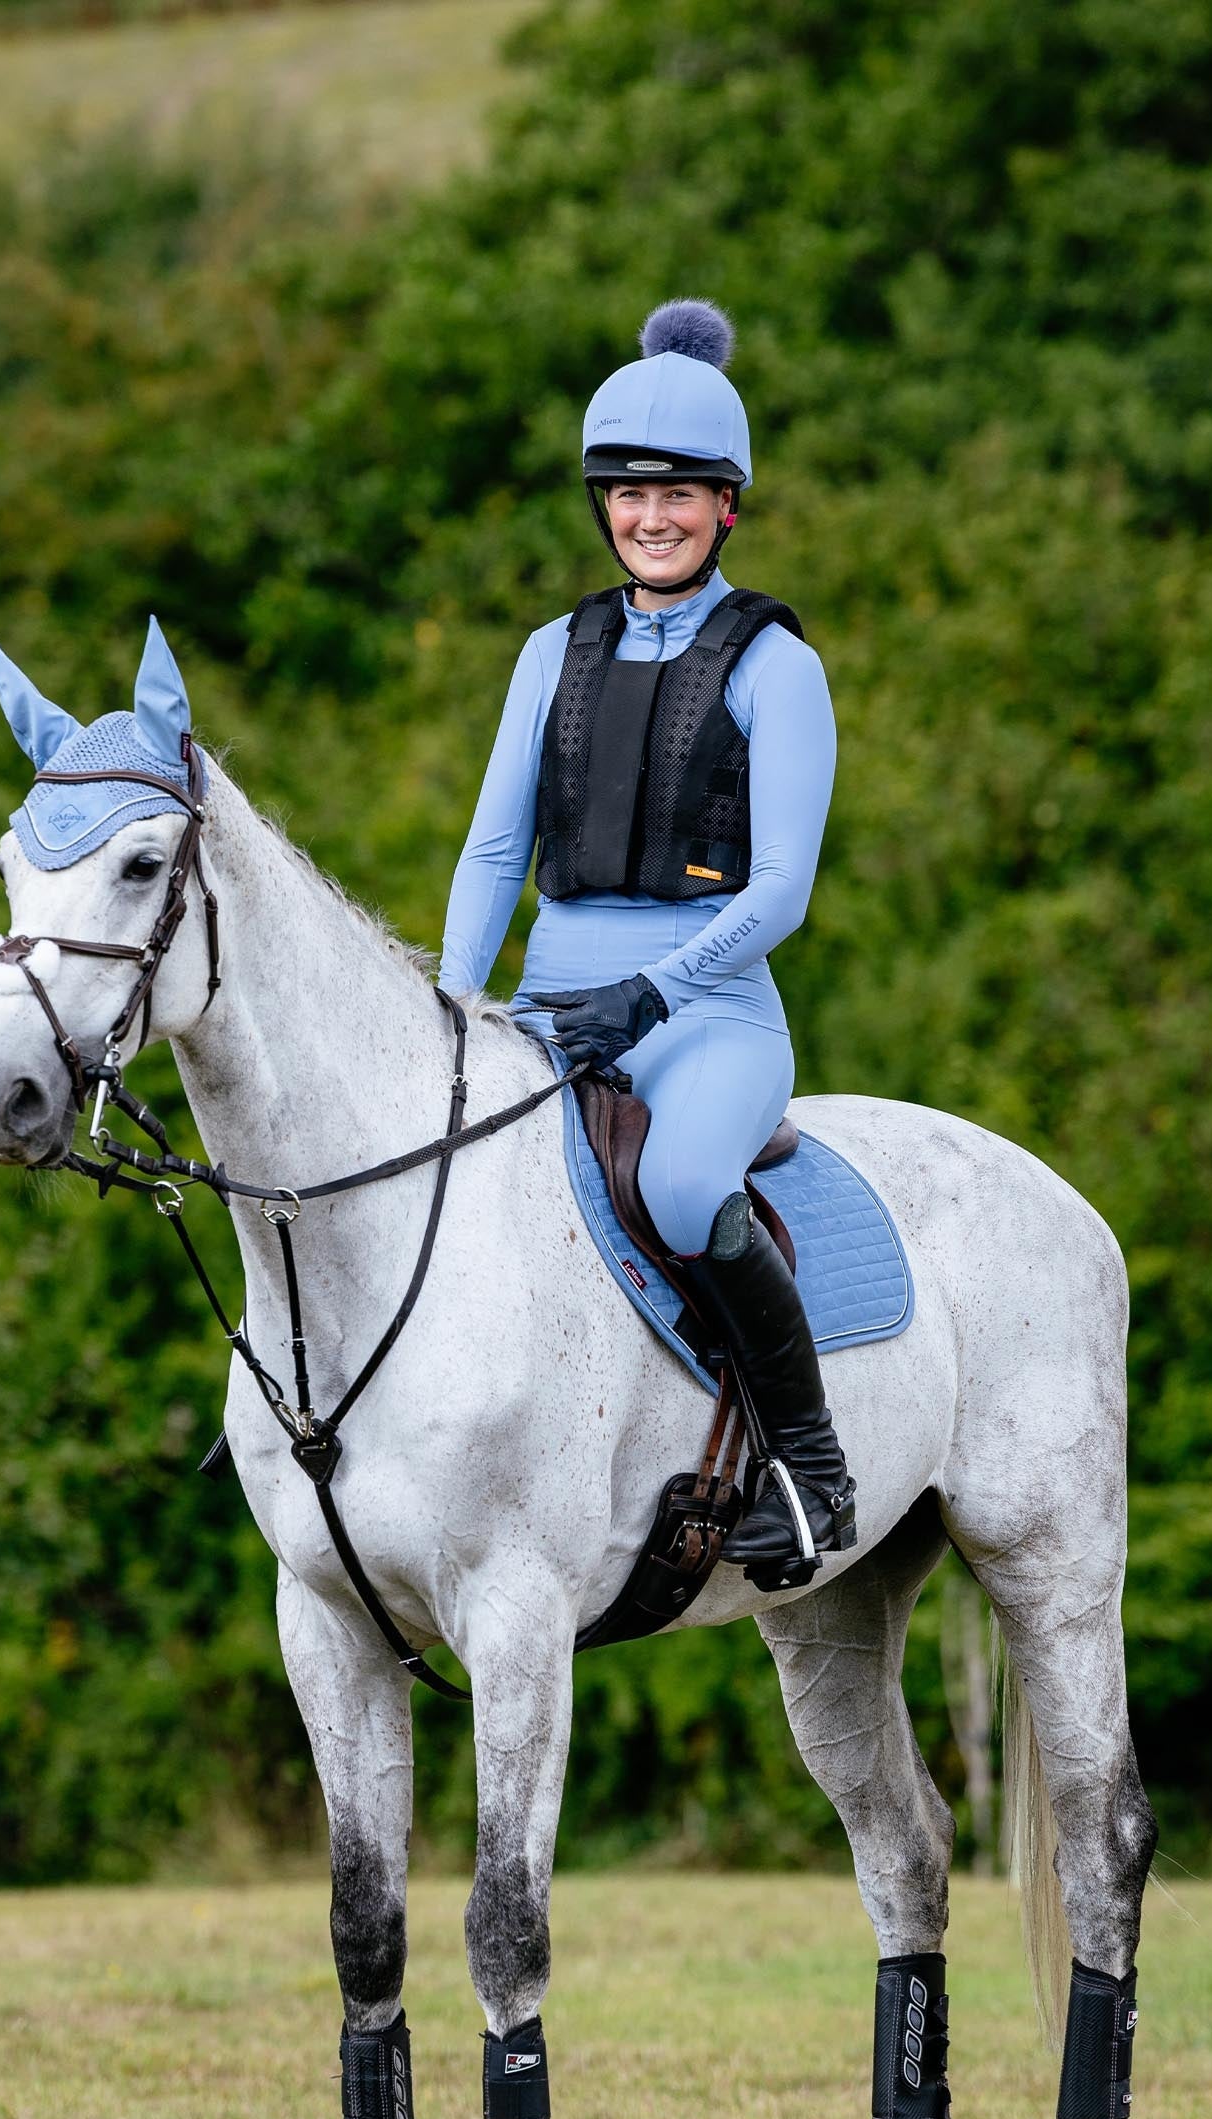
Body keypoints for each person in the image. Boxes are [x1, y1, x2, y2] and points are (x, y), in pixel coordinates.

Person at [439, 298, 856, 1587]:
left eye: (681, 492)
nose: (652, 515)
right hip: (550, 1005)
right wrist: (453, 1012)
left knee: (680, 1188)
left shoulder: (776, 666)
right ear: (600, 506)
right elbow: (495, 854)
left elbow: (779, 890)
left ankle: (813, 1465)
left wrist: (654, 994)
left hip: (708, 1018)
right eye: (627, 493)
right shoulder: (548, 653)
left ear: (728, 504)